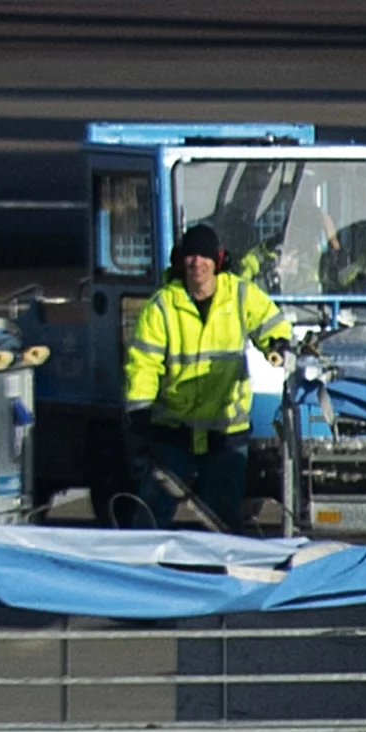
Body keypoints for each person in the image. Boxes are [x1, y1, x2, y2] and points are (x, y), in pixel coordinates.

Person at [121, 223, 289, 530]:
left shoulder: (240, 294)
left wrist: (277, 345)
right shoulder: (162, 305)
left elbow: (271, 324)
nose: (196, 262)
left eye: (204, 256)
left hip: (224, 433)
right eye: (190, 255)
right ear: (180, 260)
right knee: (149, 517)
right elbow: (143, 362)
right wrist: (140, 409)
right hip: (173, 430)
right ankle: (140, 572)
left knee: (223, 520)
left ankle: (226, 572)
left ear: (218, 261)